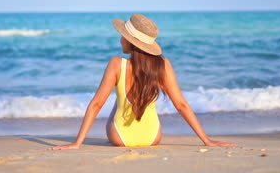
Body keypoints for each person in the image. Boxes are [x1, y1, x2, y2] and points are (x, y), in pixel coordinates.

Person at [49, 13, 237, 149]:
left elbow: (97, 103)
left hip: (119, 138)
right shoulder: (163, 65)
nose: (121, 39)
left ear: (131, 42)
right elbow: (181, 105)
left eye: (124, 35)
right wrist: (207, 140)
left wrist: (77, 143)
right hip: (152, 137)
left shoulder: (116, 64)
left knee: (118, 96)